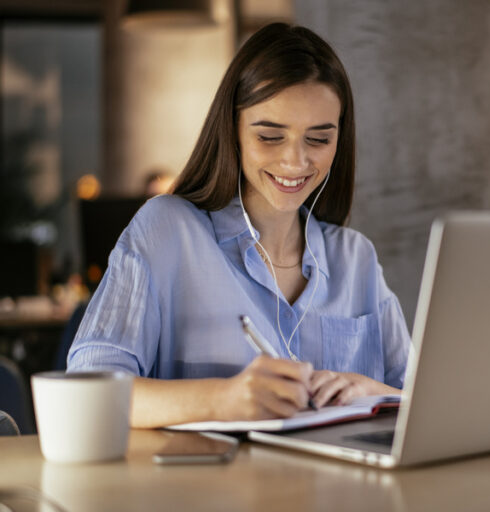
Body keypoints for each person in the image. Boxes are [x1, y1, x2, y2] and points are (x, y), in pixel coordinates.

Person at [67, 23, 411, 429]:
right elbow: (85, 397)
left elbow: (428, 400)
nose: (295, 162)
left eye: (319, 139)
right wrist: (222, 399)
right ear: (232, 129)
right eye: (270, 136)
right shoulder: (169, 231)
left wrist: (374, 392)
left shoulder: (356, 258)